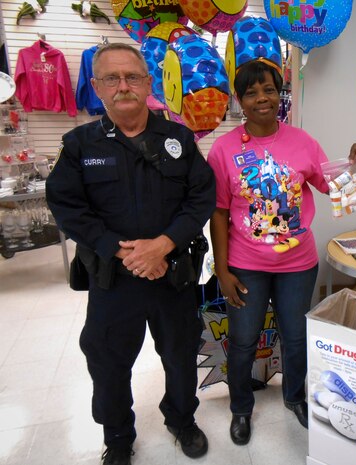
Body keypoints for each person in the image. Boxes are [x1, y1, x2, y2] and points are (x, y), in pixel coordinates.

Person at [45, 43, 215, 465]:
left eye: (132, 77)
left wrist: (163, 244)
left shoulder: (179, 139)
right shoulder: (80, 145)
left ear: (148, 83)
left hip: (171, 275)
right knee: (108, 364)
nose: (123, 86)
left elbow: (201, 197)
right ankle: (118, 437)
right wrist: (122, 253)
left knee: (180, 356)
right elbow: (67, 207)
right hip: (112, 280)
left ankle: (181, 419)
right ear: (96, 87)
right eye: (111, 78)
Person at [207, 59, 356, 446]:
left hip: (297, 264)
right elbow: (218, 212)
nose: (261, 98)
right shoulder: (223, 149)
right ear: (240, 100)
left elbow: (336, 191)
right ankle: (240, 408)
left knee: (297, 336)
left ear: (279, 94)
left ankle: (296, 397)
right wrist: (222, 270)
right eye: (251, 92)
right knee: (244, 339)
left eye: (268, 89)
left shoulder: (302, 141)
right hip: (245, 264)